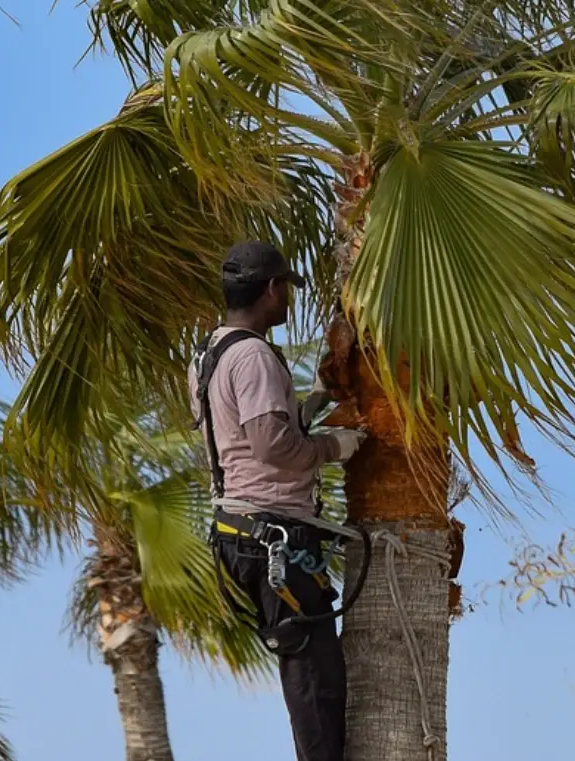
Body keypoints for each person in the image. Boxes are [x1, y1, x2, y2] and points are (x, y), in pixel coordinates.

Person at [188, 240, 365, 761]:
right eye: (285, 287)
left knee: (312, 676)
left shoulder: (209, 354)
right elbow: (272, 447)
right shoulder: (254, 356)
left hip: (241, 533)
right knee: (316, 684)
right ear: (270, 289)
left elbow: (240, 438)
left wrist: (310, 405)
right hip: (274, 538)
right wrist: (337, 446)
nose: (288, 297)